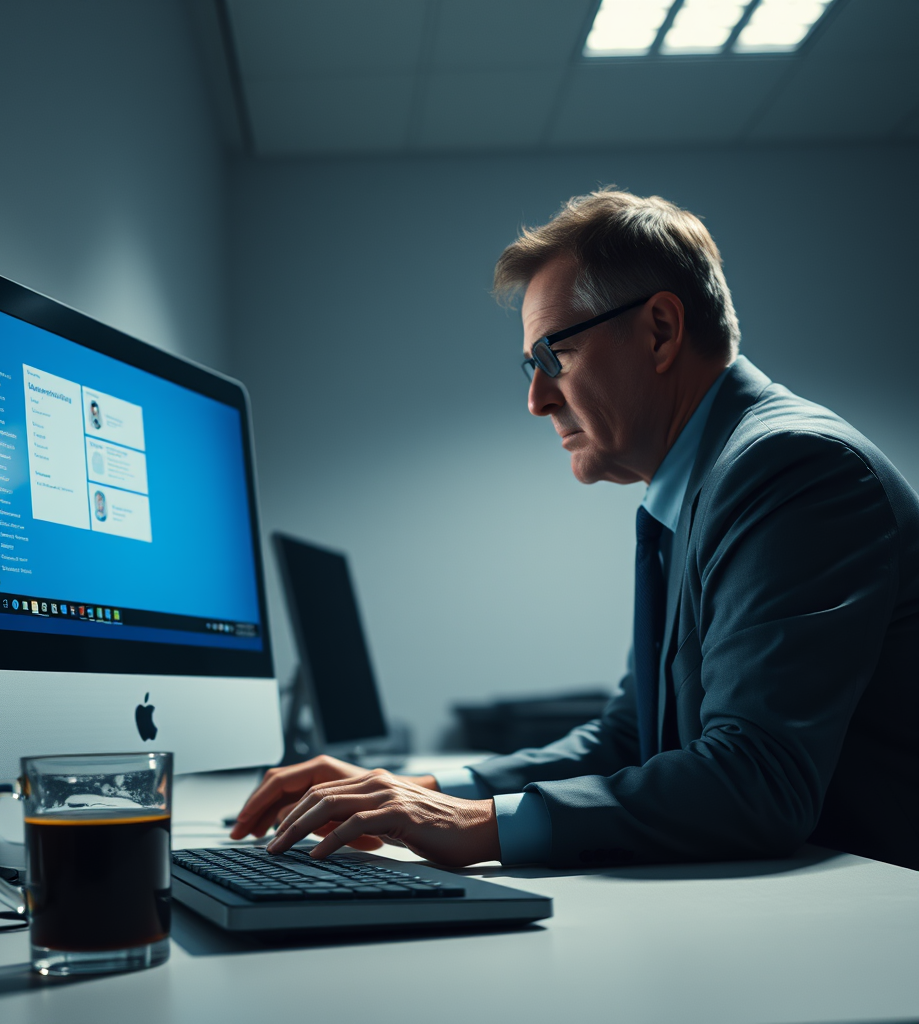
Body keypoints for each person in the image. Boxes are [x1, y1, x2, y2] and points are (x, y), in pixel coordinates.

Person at [232, 190, 919, 871]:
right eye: (531, 367)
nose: (536, 400)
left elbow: (755, 781)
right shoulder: (700, 487)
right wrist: (428, 792)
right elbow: (631, 737)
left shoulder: (793, 469)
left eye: (554, 356)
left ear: (659, 331)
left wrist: (479, 825)